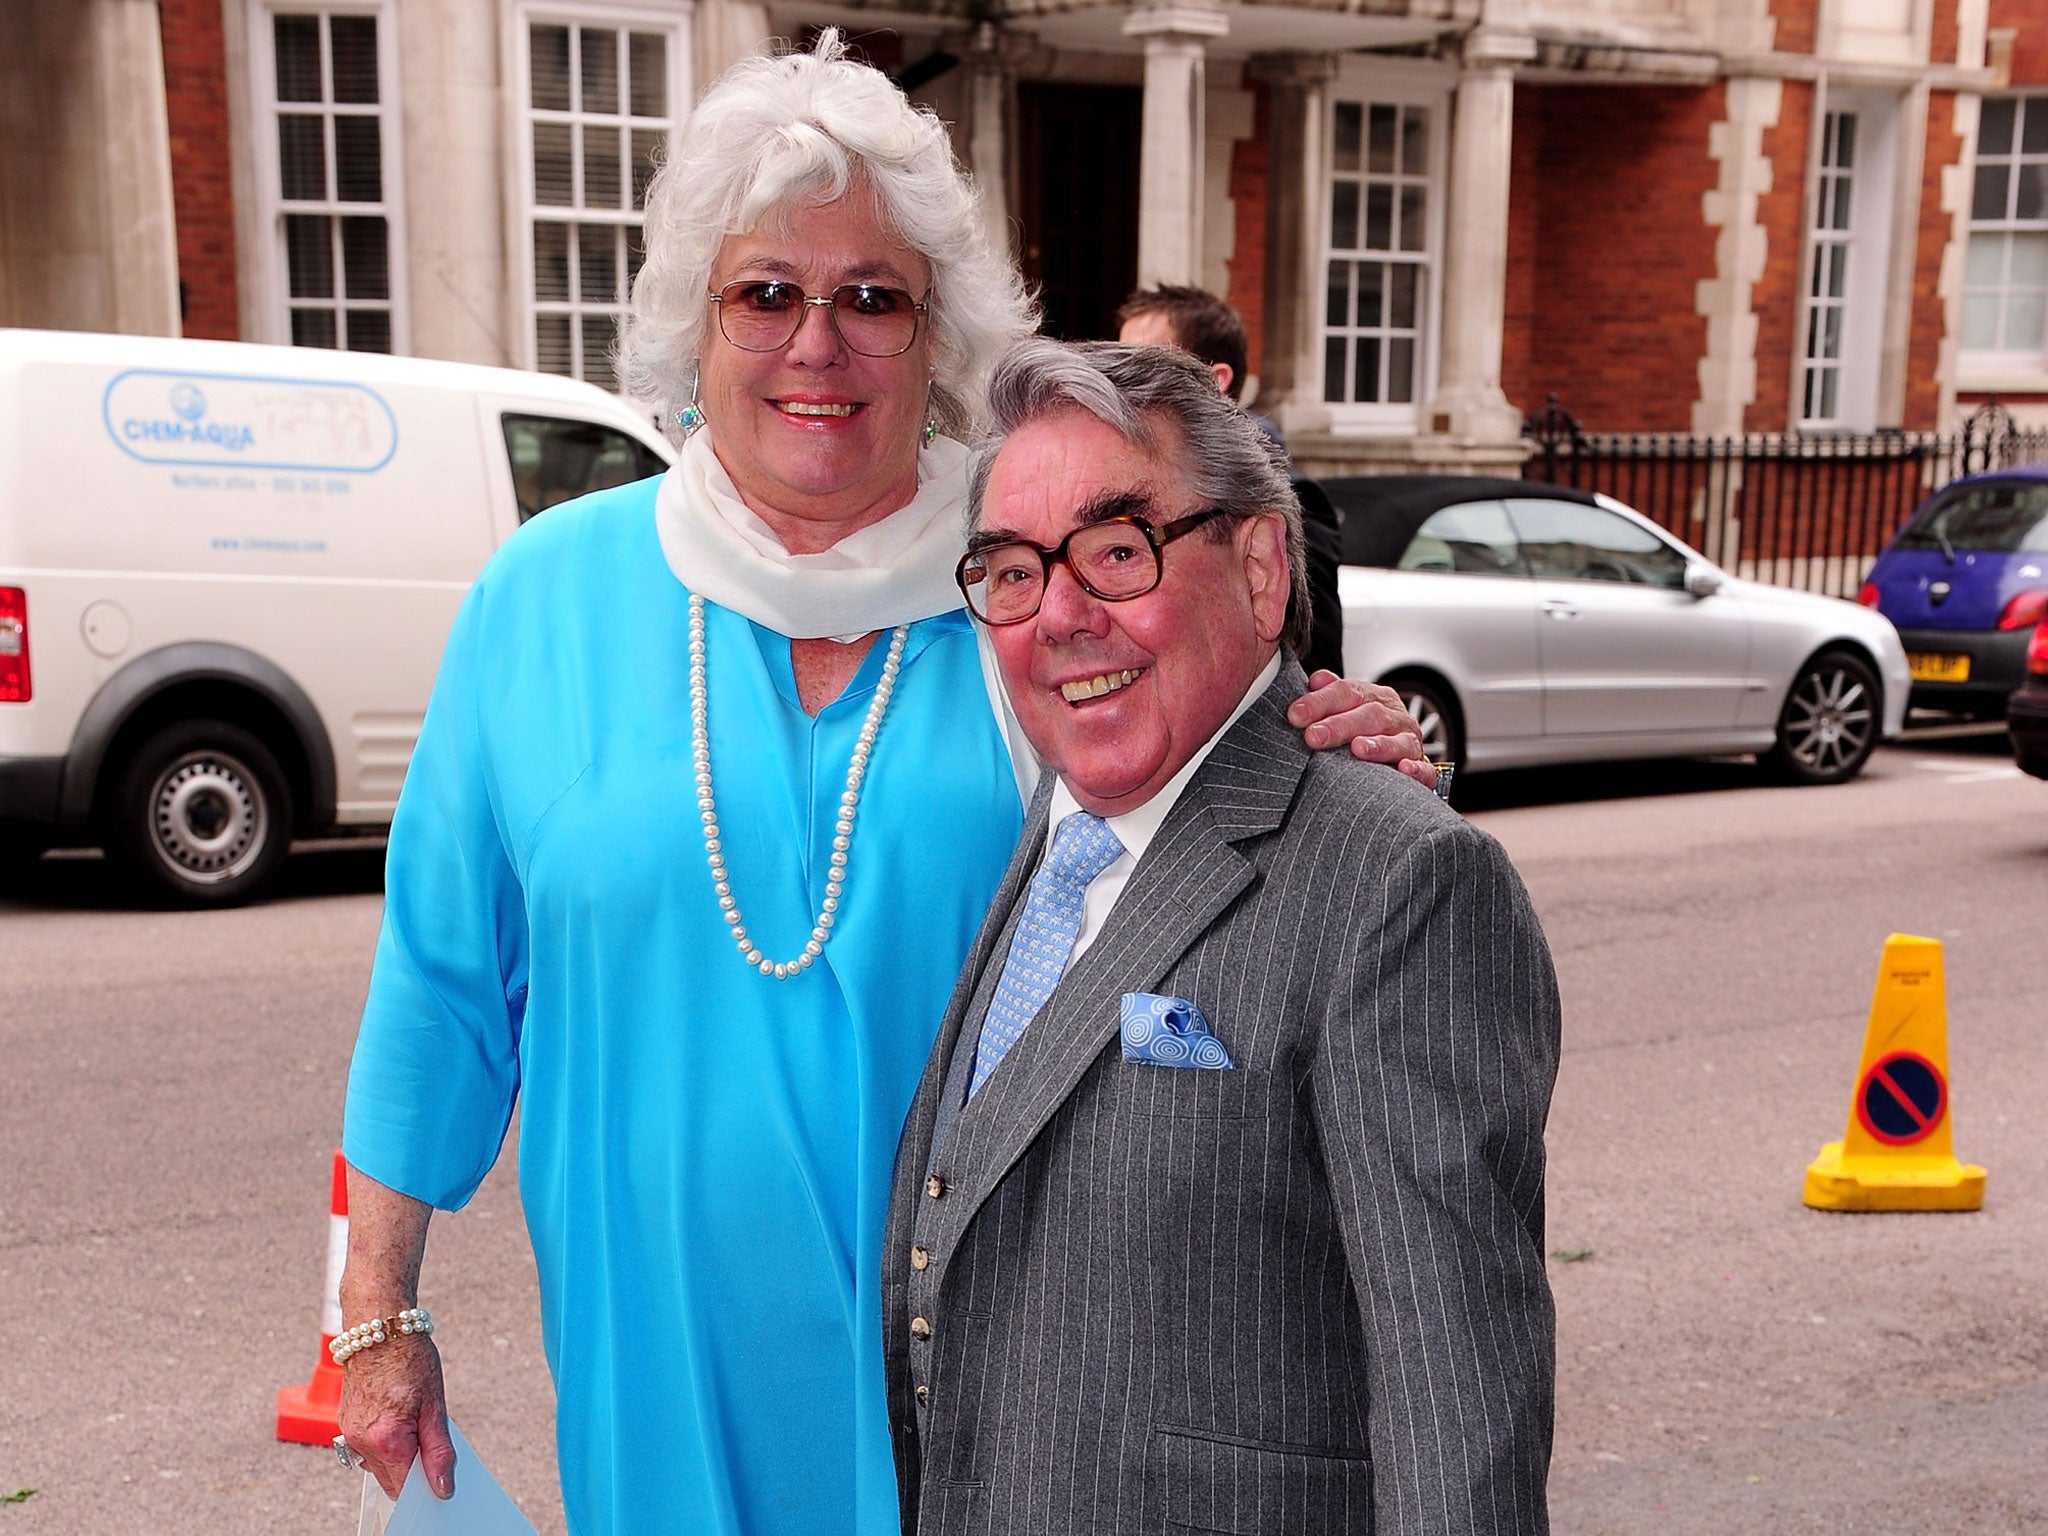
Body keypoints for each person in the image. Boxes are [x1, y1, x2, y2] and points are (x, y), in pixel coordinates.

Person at [332, 35, 1434, 1536]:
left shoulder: (1028, 593)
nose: (817, 344)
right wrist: (376, 1314)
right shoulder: (543, 601)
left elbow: (1237, 811)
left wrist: (1342, 761)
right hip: (656, 1355)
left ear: (937, 338)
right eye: (766, 293)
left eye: (872, 299)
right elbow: (440, 987)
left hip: (1008, 1338)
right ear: (695, 324)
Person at [884, 339, 1561, 1535]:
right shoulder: (1057, 814)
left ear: (1258, 566)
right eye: (1010, 572)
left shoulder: (1402, 882)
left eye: (1114, 552)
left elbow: (1454, 1402)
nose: (1061, 618)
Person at [1117, 284, 1348, 676]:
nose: (1121, 384)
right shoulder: (1131, 486)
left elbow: (1314, 660)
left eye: (1145, 365)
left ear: (1215, 379)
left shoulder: (1288, 497)